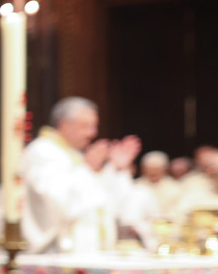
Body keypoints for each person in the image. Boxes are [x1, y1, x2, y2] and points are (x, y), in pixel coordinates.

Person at [20, 97, 139, 253]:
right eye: (86, 126)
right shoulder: (43, 153)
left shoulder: (72, 156)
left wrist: (116, 169)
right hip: (55, 255)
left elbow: (105, 205)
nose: (93, 133)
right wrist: (87, 168)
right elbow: (59, 205)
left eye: (94, 126)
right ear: (64, 124)